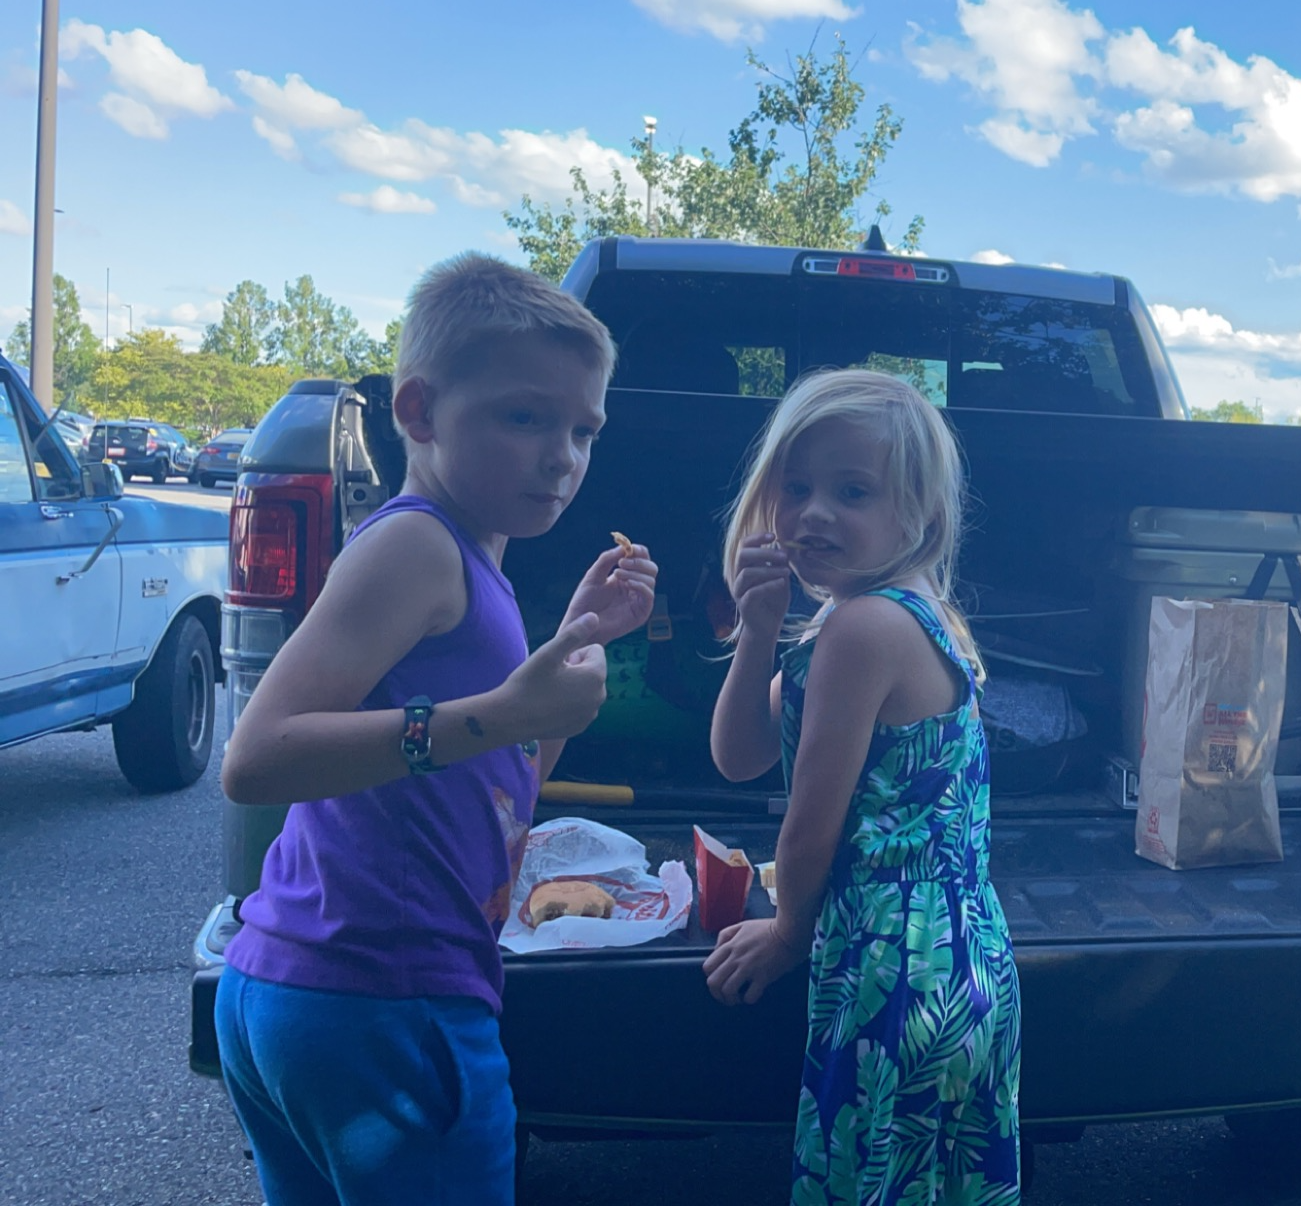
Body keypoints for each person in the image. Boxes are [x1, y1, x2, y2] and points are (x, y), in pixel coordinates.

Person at [216, 252, 658, 1205]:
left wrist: (568, 653)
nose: (563, 456)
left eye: (584, 429)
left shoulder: (470, 563)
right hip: (385, 1004)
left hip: (312, 995)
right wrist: (503, 711)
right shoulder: (418, 544)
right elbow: (254, 761)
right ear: (419, 412)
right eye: (524, 417)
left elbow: (503, 774)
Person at [703, 368, 1021, 1205]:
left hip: (894, 965)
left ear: (918, 516)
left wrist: (785, 934)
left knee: (867, 1179)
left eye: (851, 491)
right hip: (956, 951)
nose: (813, 513)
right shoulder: (889, 613)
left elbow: (811, 825)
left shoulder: (864, 627)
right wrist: (757, 632)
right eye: (796, 487)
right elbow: (740, 755)